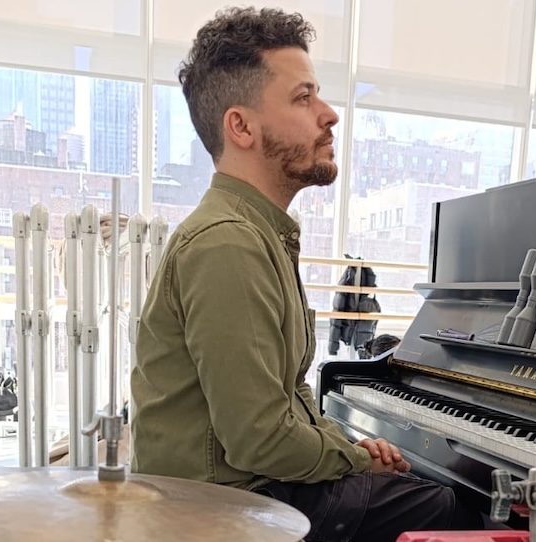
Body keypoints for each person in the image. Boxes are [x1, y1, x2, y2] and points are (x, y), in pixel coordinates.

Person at [129, 7, 482, 541]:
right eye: (303, 97)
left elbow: (284, 402)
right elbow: (259, 441)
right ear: (241, 126)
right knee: (450, 509)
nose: (330, 114)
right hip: (223, 507)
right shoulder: (229, 243)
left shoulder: (257, 232)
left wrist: (346, 446)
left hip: (242, 486)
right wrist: (355, 459)